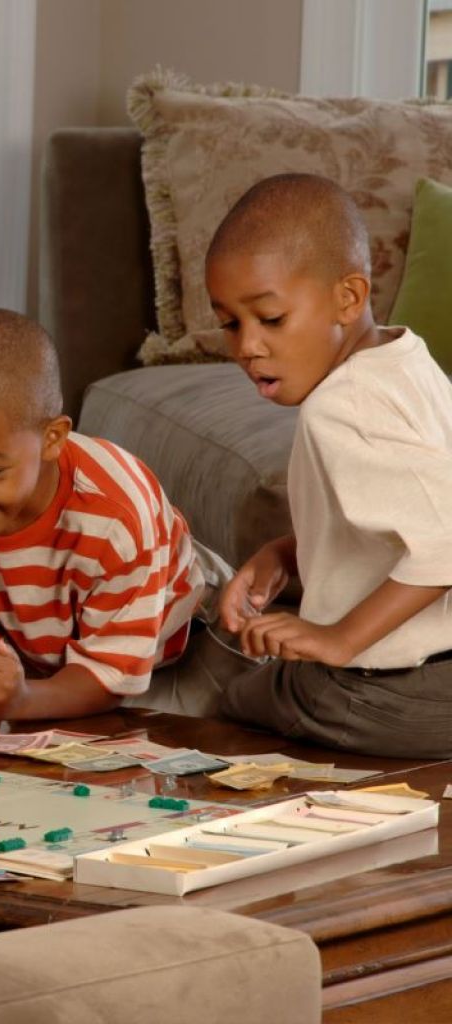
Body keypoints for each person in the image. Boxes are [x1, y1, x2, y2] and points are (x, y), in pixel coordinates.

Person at [210, 173, 452, 758]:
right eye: (229, 323)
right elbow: (412, 514)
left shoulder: (338, 406)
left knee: (233, 691)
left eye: (270, 319)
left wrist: (339, 640)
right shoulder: (407, 359)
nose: (247, 346)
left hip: (404, 694)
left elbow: (445, 540)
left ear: (348, 297)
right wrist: (285, 555)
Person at [0, 308, 237, 723]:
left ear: (52, 439)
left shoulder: (115, 517)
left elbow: (108, 675)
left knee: (201, 737)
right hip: (53, 650)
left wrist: (22, 701)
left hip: (186, 635)